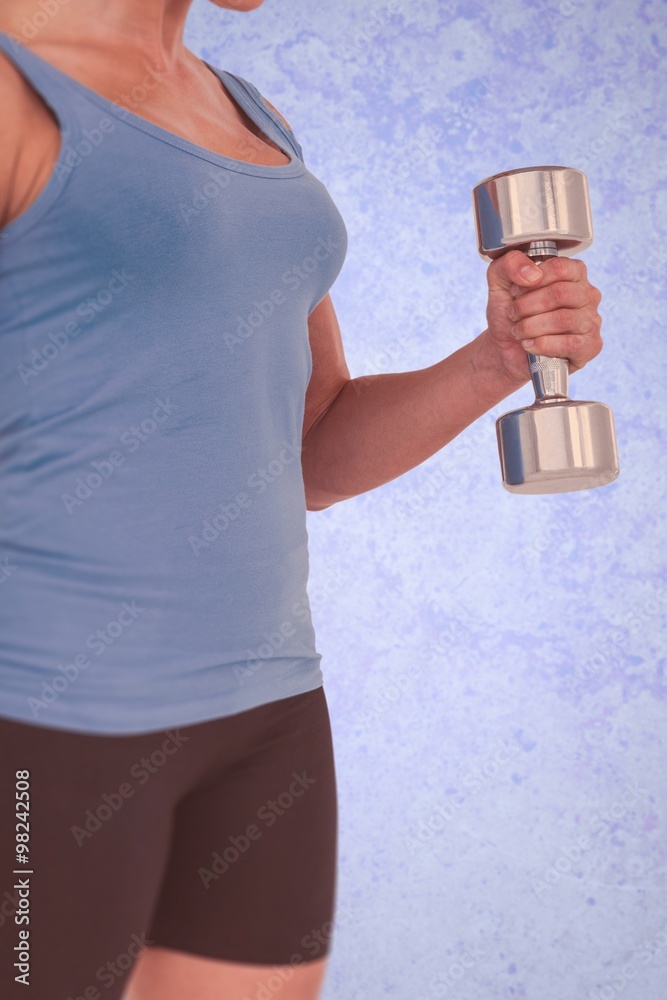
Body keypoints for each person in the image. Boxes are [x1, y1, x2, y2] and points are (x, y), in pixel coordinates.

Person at [0, 1, 604, 998]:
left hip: (266, 717)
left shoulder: (250, 116)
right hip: (49, 727)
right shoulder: (20, 88)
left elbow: (311, 449)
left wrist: (498, 359)